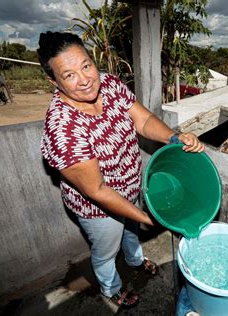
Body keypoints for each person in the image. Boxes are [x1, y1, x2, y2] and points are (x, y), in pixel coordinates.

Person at [37, 31, 204, 308]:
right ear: (54, 81)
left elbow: (143, 120)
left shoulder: (110, 85)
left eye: (86, 66)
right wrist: (148, 219)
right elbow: (98, 190)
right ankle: (110, 288)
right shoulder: (63, 129)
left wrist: (175, 139)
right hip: (98, 207)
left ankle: (135, 259)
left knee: (131, 231)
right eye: (69, 75)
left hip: (130, 185)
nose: (85, 79)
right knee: (106, 250)